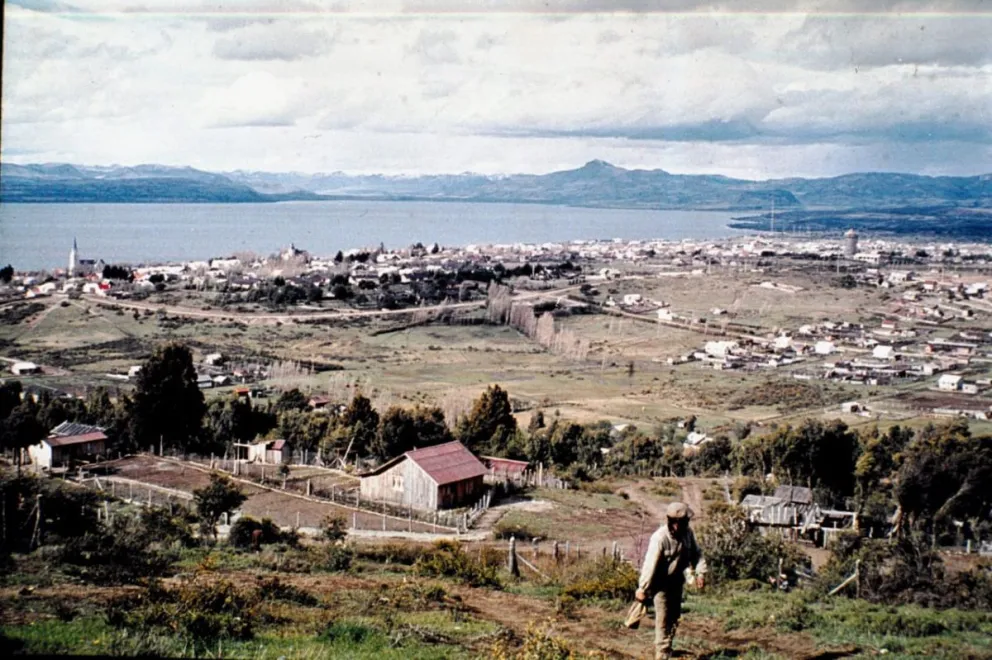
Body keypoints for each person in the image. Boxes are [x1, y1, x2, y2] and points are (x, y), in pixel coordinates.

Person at [635, 501, 707, 660]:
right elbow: (649, 564)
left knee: (674, 618)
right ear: (674, 522)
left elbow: (697, 554)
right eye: (684, 521)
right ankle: (661, 655)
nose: (687, 523)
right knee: (662, 620)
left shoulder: (688, 533)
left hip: (676, 583)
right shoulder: (659, 538)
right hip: (660, 585)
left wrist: (700, 573)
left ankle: (667, 647)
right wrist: (642, 588)